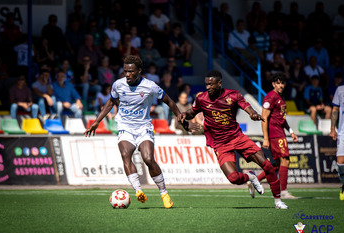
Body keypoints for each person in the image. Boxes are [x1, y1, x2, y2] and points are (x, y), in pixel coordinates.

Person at [84, 55, 185, 208]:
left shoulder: (150, 86)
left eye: (131, 71)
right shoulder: (118, 85)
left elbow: (169, 101)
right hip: (125, 127)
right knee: (126, 155)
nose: (128, 75)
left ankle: (163, 192)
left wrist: (178, 115)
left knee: (148, 159)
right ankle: (138, 190)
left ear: (139, 71)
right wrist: (97, 122)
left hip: (143, 127)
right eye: (125, 71)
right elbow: (111, 101)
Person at [179, 70, 288, 209]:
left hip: (237, 137)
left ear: (219, 83)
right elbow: (191, 112)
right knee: (234, 179)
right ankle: (251, 177)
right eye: (206, 84)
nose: (208, 87)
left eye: (211, 84)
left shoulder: (233, 94)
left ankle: (278, 201)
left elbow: (247, 107)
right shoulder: (202, 99)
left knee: (267, 165)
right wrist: (183, 114)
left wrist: (253, 114)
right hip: (220, 143)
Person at [252, 73, 298, 199]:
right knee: (285, 161)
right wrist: (266, 138)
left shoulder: (281, 97)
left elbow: (282, 118)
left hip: (281, 132)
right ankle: (283, 192)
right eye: (278, 83)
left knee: (278, 163)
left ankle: (255, 180)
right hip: (275, 134)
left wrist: (291, 131)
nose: (281, 85)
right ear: (273, 84)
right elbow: (264, 118)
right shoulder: (270, 97)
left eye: (282, 83)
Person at [330, 81, 344, 200]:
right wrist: (332, 128)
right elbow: (335, 109)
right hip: (342, 132)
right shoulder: (340, 90)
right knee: (340, 162)